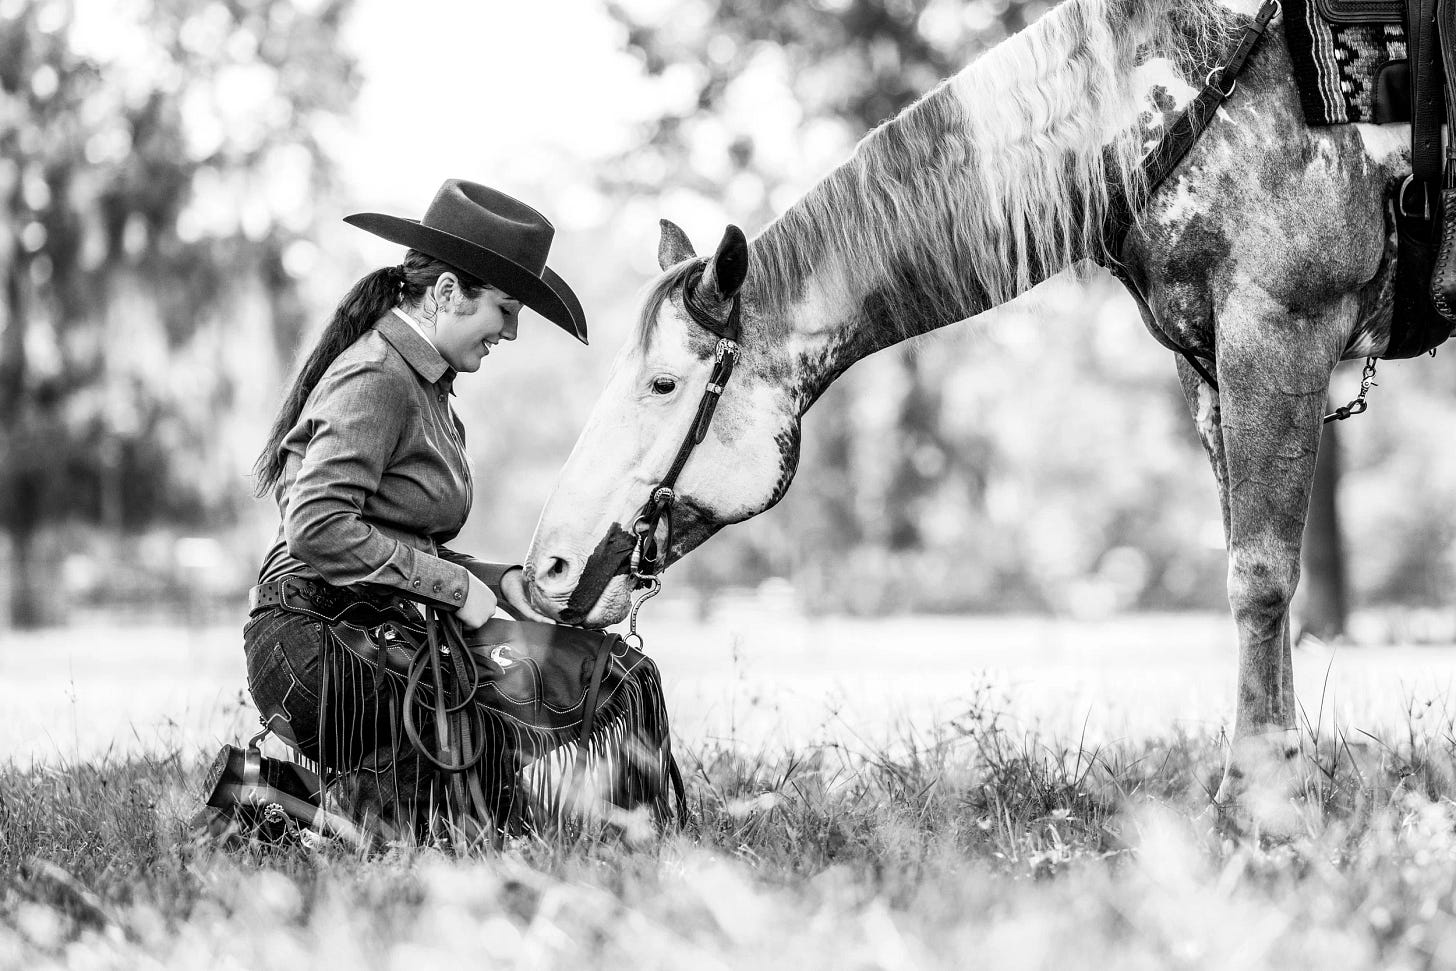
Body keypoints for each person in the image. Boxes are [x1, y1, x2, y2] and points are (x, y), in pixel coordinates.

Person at [241, 179, 587, 836]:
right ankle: (273, 801)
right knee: (479, 732)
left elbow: (395, 537)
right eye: (506, 309)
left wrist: (494, 581)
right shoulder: (379, 376)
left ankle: (292, 801)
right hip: (313, 641)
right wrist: (454, 587)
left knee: (490, 791)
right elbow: (316, 528)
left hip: (367, 632)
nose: (511, 331)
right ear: (450, 293)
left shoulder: (426, 387)